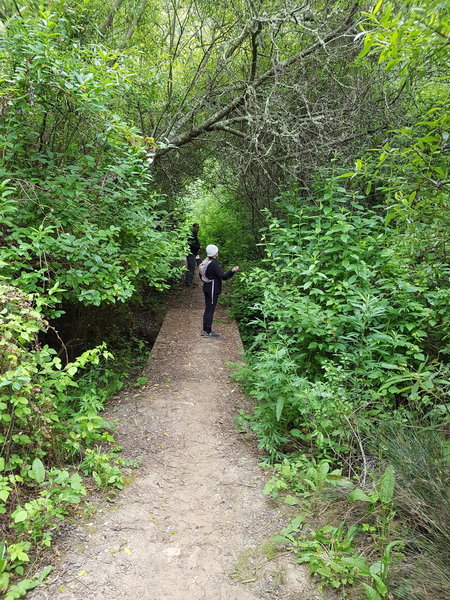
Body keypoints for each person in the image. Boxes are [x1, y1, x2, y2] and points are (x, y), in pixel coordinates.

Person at [201, 244, 239, 338]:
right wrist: (232, 271)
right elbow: (223, 276)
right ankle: (208, 332)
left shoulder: (207, 262)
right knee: (210, 310)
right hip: (212, 288)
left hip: (207, 287)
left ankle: (205, 330)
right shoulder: (214, 263)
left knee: (207, 309)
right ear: (215, 253)